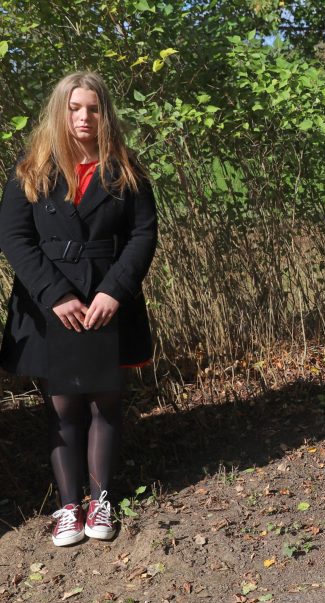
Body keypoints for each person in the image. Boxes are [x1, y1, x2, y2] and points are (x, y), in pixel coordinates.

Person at [0, 72, 158, 546]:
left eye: (92, 108)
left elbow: (143, 235)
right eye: (74, 108)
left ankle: (101, 499)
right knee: (64, 406)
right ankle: (69, 506)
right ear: (60, 112)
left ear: (103, 112)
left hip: (109, 303)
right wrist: (55, 294)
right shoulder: (32, 170)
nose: (83, 117)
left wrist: (115, 290)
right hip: (51, 307)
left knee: (105, 402)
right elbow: (14, 239)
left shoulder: (126, 168)